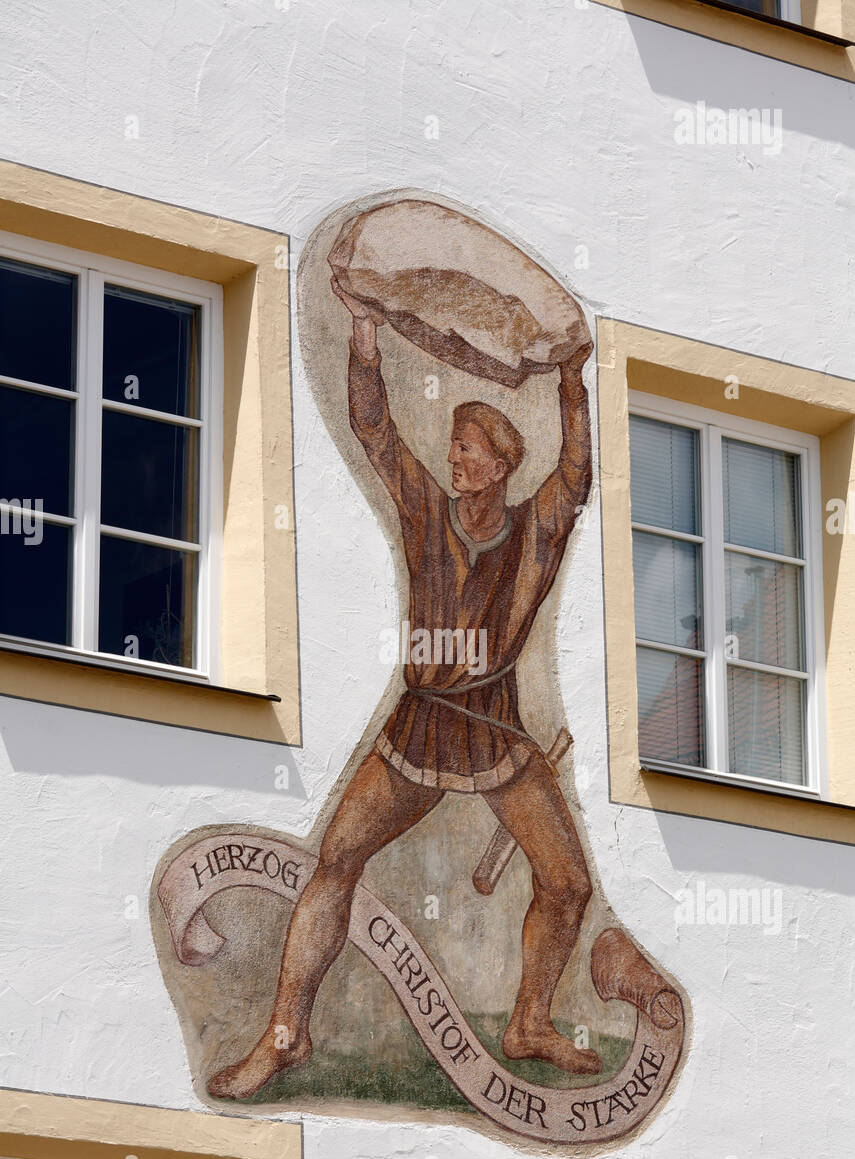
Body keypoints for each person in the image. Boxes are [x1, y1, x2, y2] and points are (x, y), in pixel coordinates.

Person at [208, 278, 599, 1099]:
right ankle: (285, 1034)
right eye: (454, 448)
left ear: (499, 465)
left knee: (568, 885)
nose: (453, 459)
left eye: (467, 450)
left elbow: (575, 472)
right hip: (420, 726)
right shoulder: (426, 510)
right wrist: (363, 339)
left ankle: (529, 1020)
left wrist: (571, 383)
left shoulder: (535, 530)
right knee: (337, 859)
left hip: (494, 730)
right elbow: (376, 430)